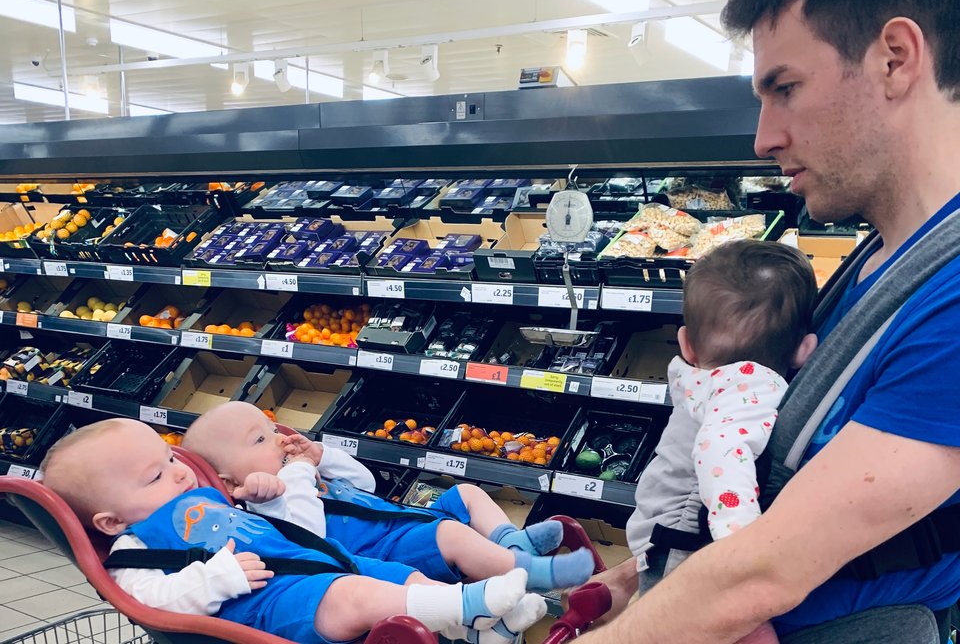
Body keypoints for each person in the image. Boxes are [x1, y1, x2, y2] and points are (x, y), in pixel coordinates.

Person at [578, 0, 960, 641]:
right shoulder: (881, 263)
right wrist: (652, 575)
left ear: (895, 59)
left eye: (784, 88)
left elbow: (766, 571)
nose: (763, 138)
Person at [40, 418, 548, 644]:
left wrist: (265, 494)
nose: (178, 473)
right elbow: (153, 607)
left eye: (171, 458)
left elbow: (280, 526)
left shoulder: (210, 499)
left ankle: (481, 625)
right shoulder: (134, 553)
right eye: (155, 476)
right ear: (110, 521)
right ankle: (469, 606)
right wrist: (214, 580)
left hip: (316, 562)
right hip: (264, 605)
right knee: (354, 597)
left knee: (397, 577)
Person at [181, 401, 594, 592]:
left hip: (400, 520)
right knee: (450, 534)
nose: (279, 439)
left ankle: (511, 541)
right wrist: (300, 475)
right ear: (229, 481)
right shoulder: (262, 505)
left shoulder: (300, 469)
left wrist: (322, 456)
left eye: (273, 429)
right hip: (382, 552)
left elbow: (367, 484)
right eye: (260, 439)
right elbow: (311, 539)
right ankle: (529, 574)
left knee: (465, 492)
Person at [625, 240, 818, 644]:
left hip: (657, 529)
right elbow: (720, 451)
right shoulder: (751, 383)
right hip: (686, 535)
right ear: (805, 350)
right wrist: (744, 553)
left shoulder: (699, 375)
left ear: (686, 345)